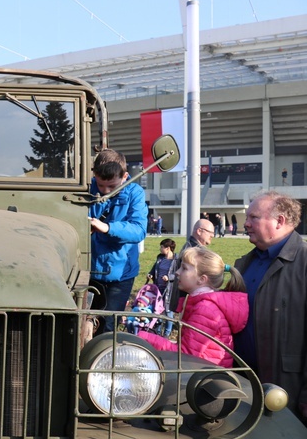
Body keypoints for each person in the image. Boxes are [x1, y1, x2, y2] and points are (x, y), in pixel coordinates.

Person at [233, 191, 307, 424]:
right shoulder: (245, 262)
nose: (246, 223)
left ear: (280, 221)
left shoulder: (304, 265)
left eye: (253, 217)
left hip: (288, 391)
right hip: (244, 385)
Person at [138, 247, 248, 368]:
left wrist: (143, 337)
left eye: (184, 268)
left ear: (202, 279)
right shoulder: (200, 303)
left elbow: (187, 355)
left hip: (206, 379)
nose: (177, 272)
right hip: (203, 372)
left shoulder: (205, 309)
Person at [88, 149, 148, 332]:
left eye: (112, 187)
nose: (105, 191)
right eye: (100, 185)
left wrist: (108, 228)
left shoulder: (135, 193)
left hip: (121, 275)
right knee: (84, 323)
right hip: (90, 272)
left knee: (108, 327)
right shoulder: (87, 188)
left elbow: (138, 230)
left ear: (125, 177)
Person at [147, 238, 177, 337]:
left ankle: (167, 333)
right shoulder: (160, 258)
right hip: (158, 288)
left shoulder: (176, 260)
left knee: (168, 312)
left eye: (162, 247)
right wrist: (150, 274)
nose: (160, 249)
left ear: (168, 248)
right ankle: (158, 330)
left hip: (169, 290)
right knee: (158, 310)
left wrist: (169, 277)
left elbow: (178, 274)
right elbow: (154, 269)